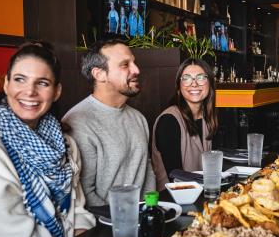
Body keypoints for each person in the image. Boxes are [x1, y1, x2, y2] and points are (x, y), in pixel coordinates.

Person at [0, 42, 95, 237]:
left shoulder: (65, 143)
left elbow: (78, 213)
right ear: (6, 84)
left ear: (57, 91)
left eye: (42, 83)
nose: (30, 91)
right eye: (20, 79)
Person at [62, 36, 155, 206]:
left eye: (133, 62)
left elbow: (147, 171)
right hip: (106, 225)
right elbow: (84, 192)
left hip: (143, 220)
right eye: (125, 65)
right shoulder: (77, 123)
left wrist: (150, 210)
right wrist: (122, 220)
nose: (136, 70)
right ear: (99, 74)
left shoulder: (138, 118)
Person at [151, 58, 218, 190]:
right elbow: (175, 176)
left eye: (200, 77)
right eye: (186, 78)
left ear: (209, 83)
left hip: (202, 194)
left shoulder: (207, 118)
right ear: (179, 85)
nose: (194, 84)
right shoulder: (169, 121)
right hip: (173, 200)